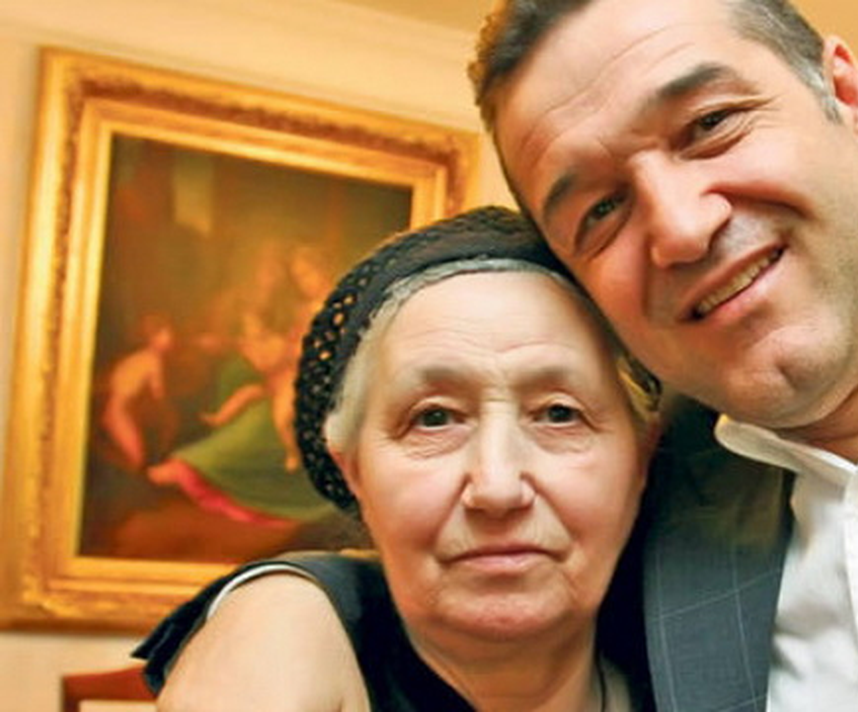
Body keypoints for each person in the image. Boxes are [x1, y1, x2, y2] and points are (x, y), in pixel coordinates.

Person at [138, 0, 858, 710]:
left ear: (847, 96)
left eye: (711, 124)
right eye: (597, 210)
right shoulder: (669, 495)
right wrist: (288, 603)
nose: (678, 227)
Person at [140, 206, 661, 711]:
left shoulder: (696, 664)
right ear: (354, 471)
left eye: (559, 414)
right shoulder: (285, 638)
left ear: (639, 460)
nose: (497, 487)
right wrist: (282, 604)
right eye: (433, 418)